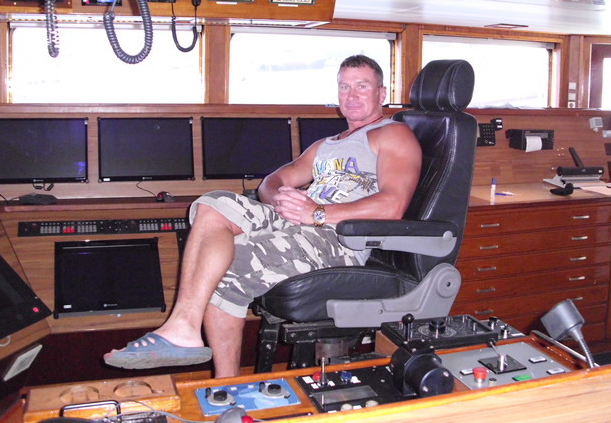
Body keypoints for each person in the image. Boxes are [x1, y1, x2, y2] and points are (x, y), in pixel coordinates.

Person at [104, 54, 422, 377]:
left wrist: (317, 213)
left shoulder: (393, 134)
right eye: (344, 87)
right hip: (301, 219)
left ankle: (223, 379)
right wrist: (279, 200)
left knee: (226, 264)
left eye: (361, 86)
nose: (351, 95)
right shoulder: (326, 145)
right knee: (212, 204)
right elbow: (273, 180)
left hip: (339, 237)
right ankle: (183, 327)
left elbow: (392, 205)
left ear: (381, 94)